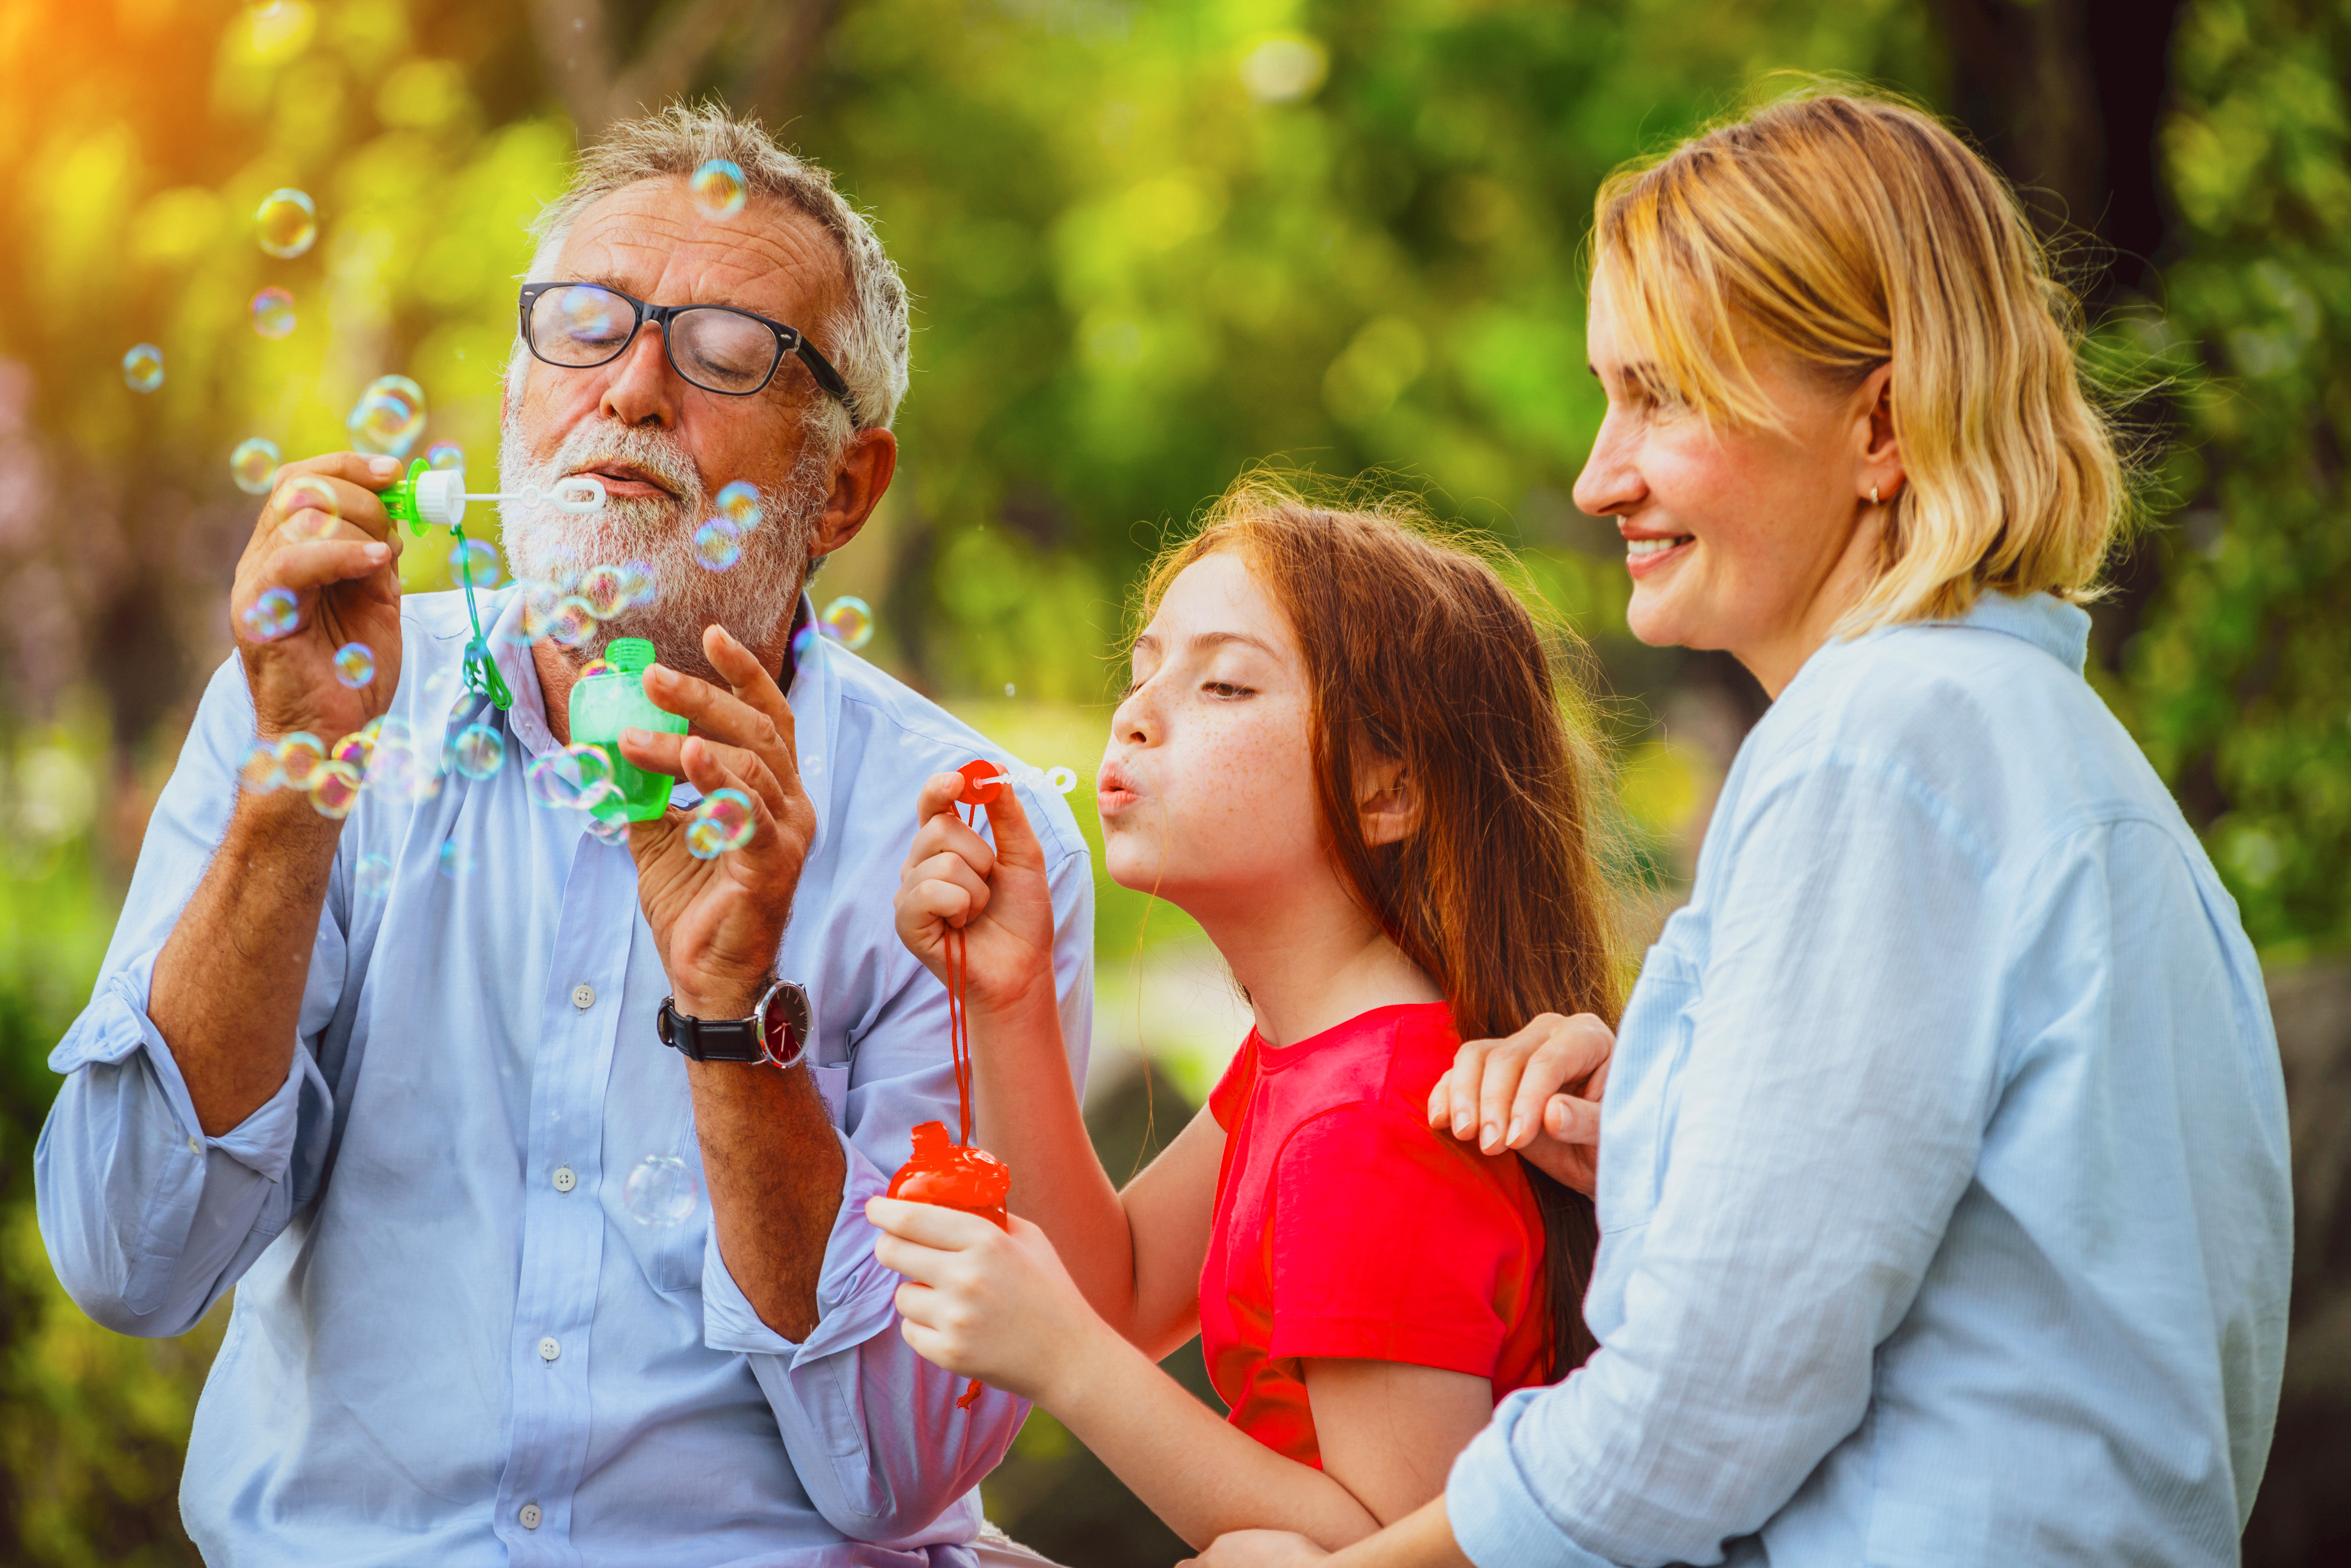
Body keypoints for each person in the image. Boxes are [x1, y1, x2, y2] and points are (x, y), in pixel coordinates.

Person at [1193, 87, 2292, 1568]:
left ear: (1881, 426)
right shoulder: (2029, 749)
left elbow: (1698, 1418)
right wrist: (1660, 1125)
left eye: (1659, 396)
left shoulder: (1880, 750)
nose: (1598, 477)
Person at [34, 104, 1093, 1566]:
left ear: (844, 487)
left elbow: (901, 1472)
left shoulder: (967, 840)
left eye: (726, 352)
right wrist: (294, 790)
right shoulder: (315, 709)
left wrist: (734, 1022)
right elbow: (128, 1260)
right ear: (520, 390)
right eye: (584, 328)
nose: (634, 389)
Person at [864, 481, 1623, 1552]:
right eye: (1142, 671)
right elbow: (1121, 1289)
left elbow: (1392, 1544)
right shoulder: (1312, 1061)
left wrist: (1065, 1361)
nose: (1136, 713)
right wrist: (1011, 999)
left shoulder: (1371, 1121)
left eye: (1222, 684)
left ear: (1387, 789)